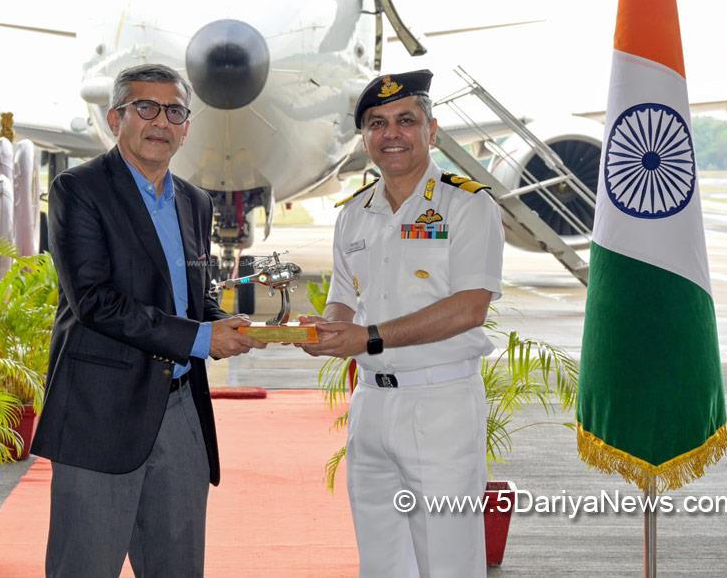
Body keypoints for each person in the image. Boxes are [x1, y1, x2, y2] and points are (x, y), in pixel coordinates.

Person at [31, 63, 264, 578]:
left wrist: (235, 325)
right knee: (84, 566)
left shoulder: (195, 202)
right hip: (100, 410)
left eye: (175, 111)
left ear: (186, 127)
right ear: (116, 118)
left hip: (181, 407)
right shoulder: (79, 190)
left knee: (178, 566)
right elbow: (94, 301)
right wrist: (202, 337)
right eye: (146, 108)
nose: (162, 121)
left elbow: (195, 297)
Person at [300, 69, 503, 577]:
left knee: (447, 561)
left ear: (431, 130)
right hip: (372, 405)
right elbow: (343, 301)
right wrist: (324, 331)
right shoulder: (354, 213)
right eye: (377, 123)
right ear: (364, 138)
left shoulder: (467, 204)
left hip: (440, 406)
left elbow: (469, 307)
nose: (391, 134)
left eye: (405, 120)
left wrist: (367, 337)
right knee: (382, 561)